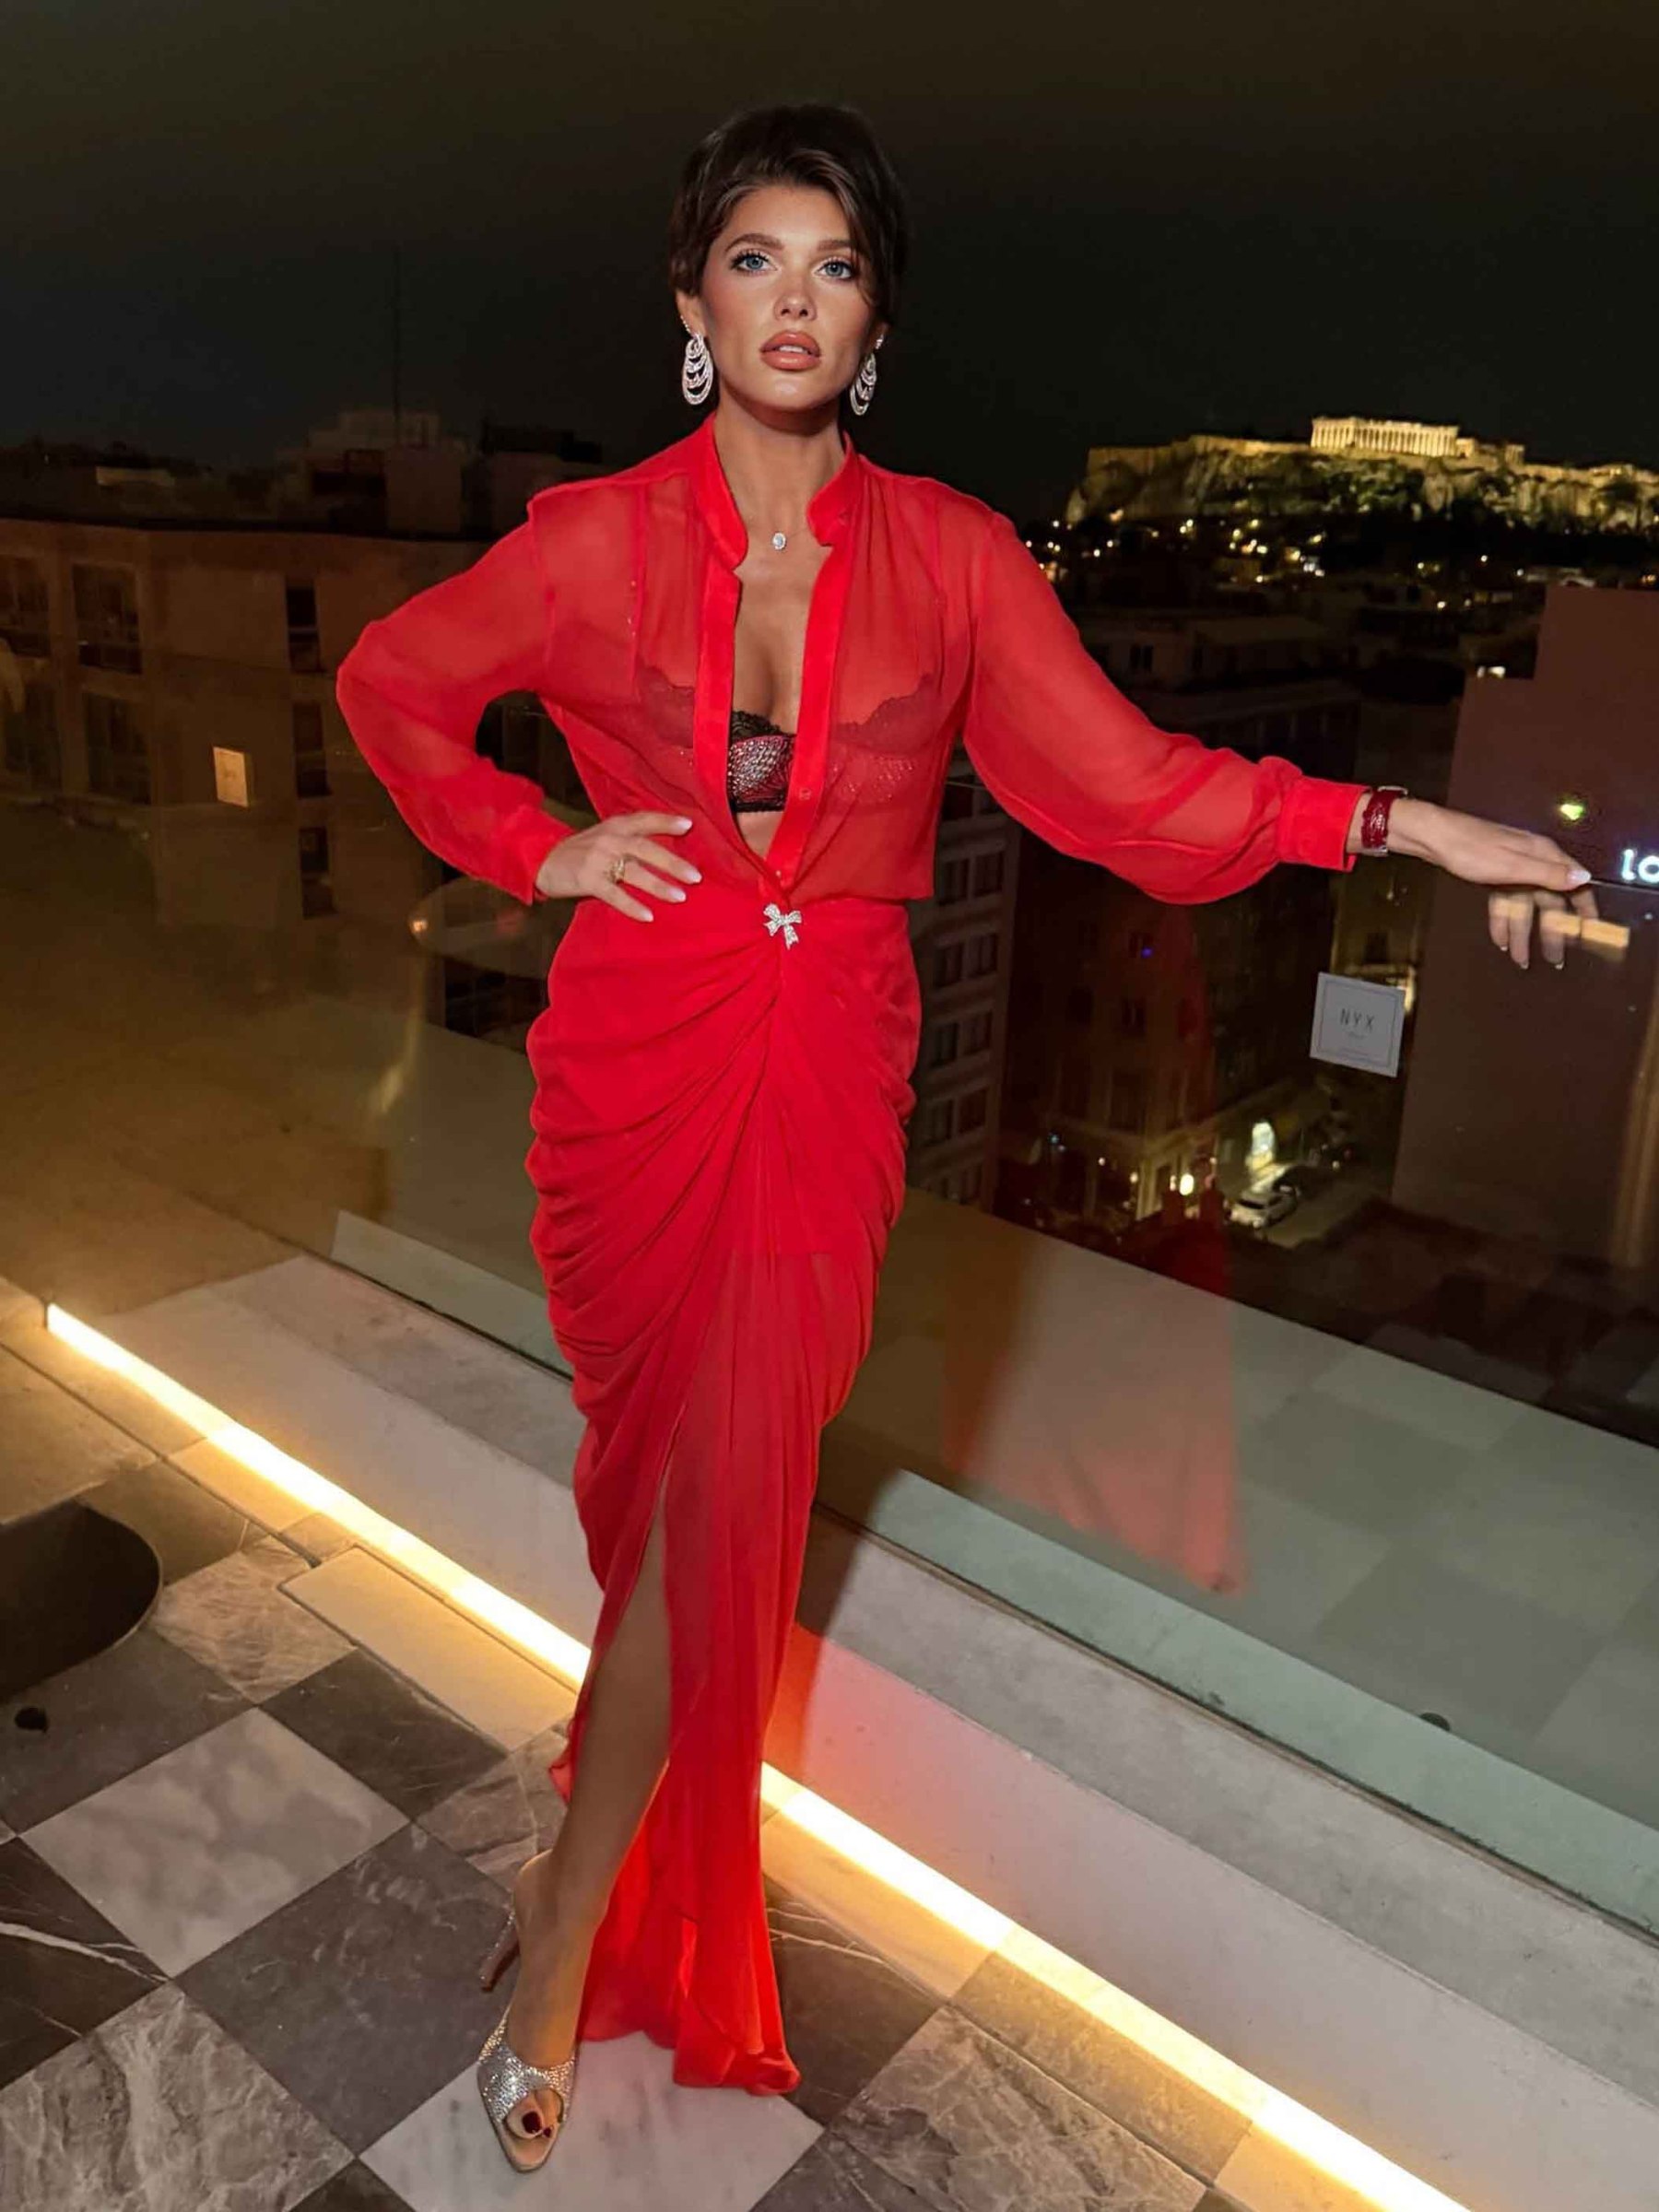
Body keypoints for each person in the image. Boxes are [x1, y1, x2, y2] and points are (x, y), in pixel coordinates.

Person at [333, 100, 1599, 2173]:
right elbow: (393, 690)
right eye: (755, 259)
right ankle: (590, 1885)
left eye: (835, 266)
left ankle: (567, 1922)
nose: (794, 301)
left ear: (878, 321)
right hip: (635, 1074)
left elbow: (1134, 790)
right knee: (670, 1505)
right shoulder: (589, 544)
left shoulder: (954, 559)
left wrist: (1400, 823)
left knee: (717, 1498)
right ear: (689, 302)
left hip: (828, 1079)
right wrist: (537, 844)